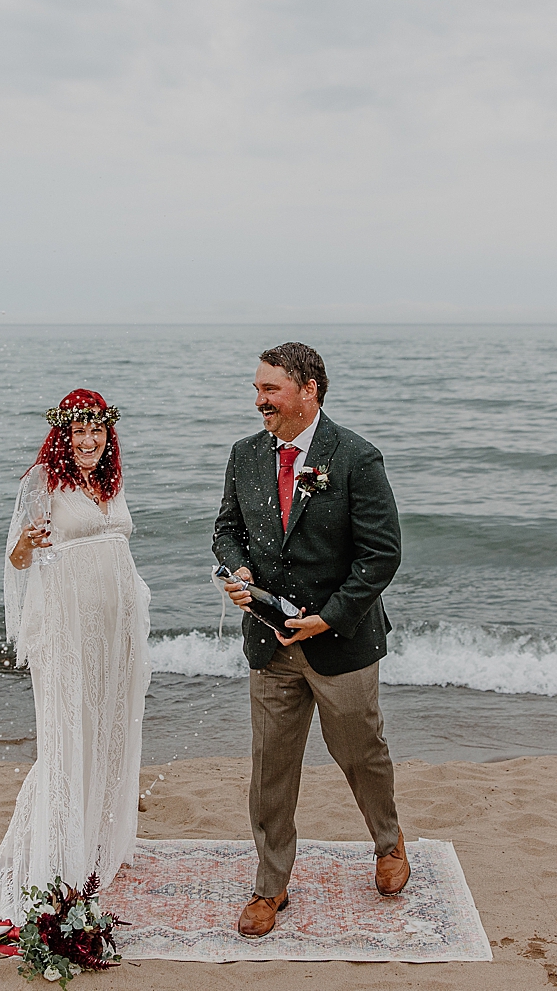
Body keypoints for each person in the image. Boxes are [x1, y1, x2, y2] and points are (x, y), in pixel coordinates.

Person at [213, 342, 408, 938]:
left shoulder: (355, 457)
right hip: (270, 647)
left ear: (308, 390)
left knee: (360, 753)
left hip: (340, 644)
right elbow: (226, 530)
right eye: (258, 389)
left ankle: (388, 840)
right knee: (271, 768)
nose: (259, 401)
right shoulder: (245, 456)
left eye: (270, 390)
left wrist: (327, 619)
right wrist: (237, 571)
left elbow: (381, 556)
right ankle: (271, 888)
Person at [0, 389, 151, 953]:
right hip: (69, 633)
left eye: (96, 434)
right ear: (63, 435)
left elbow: (115, 548)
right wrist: (27, 545)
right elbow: (18, 561)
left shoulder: (111, 483)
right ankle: (51, 860)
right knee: (65, 741)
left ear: (108, 437)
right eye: (78, 433)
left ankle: (92, 849)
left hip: (115, 633)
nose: (87, 442)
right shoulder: (43, 485)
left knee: (106, 736)